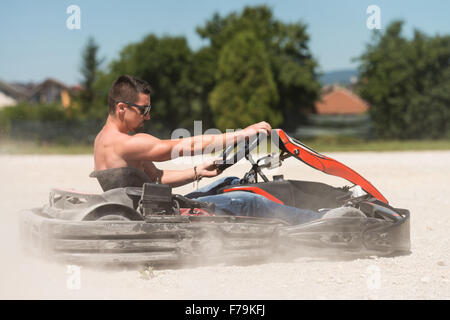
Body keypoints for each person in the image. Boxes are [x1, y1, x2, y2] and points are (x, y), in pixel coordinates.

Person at [93, 75, 323, 224]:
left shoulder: (105, 140)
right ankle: (321, 222)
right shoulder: (123, 142)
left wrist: (198, 172)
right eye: (144, 110)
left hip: (152, 205)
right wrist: (242, 133)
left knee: (230, 182)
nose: (149, 116)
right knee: (249, 201)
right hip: (158, 215)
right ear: (122, 108)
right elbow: (184, 145)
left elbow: (156, 178)